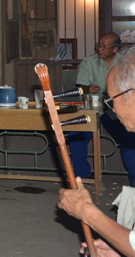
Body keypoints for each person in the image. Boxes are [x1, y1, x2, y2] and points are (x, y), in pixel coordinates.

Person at [59, 45, 135, 256]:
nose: (113, 108)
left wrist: (87, 212)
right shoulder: (89, 62)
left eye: (111, 100)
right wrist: (119, 249)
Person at [68, 33, 135, 185]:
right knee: (76, 135)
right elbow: (81, 87)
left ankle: (134, 182)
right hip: (92, 108)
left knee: (130, 140)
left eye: (104, 47)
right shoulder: (89, 62)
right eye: (98, 45)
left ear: (115, 49)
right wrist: (87, 88)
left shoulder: (124, 63)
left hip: (115, 110)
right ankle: (81, 176)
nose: (99, 49)